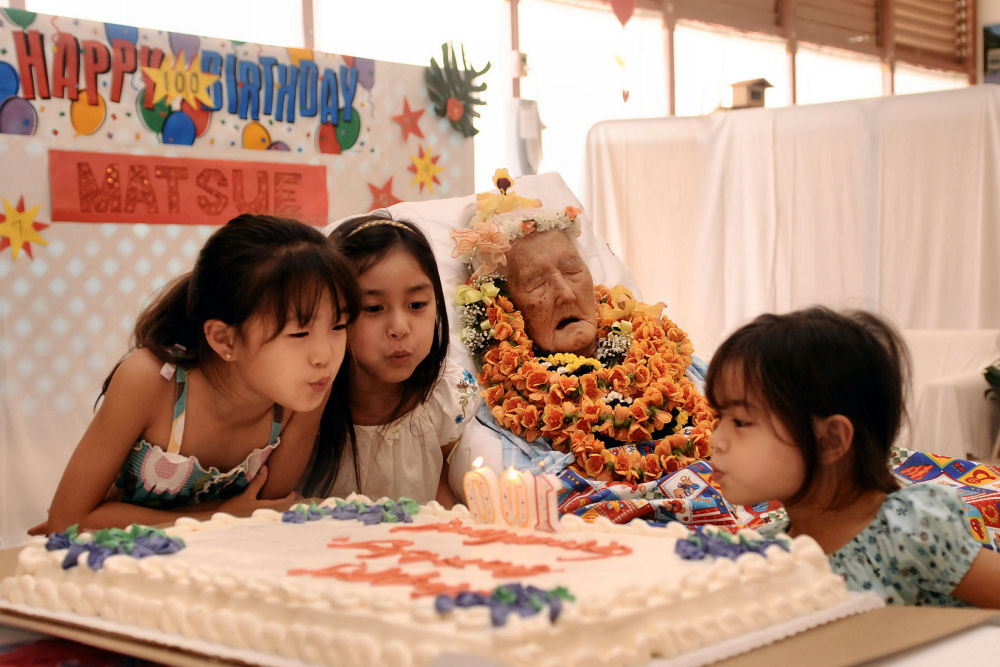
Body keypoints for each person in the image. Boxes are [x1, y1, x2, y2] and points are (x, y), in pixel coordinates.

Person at [32, 214, 360, 534]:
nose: (325, 356)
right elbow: (67, 521)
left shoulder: (306, 389)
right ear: (223, 338)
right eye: (299, 334)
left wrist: (232, 518)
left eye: (338, 325)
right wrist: (216, 516)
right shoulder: (151, 381)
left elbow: (265, 510)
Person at [448, 169, 716, 524]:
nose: (565, 292)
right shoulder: (507, 410)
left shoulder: (664, 353)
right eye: (535, 282)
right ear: (504, 308)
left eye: (573, 271)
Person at [705, 306, 1000, 607]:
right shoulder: (771, 548)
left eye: (740, 421)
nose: (716, 441)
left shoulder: (909, 532)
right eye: (719, 419)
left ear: (831, 440)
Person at [321, 214, 480, 507]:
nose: (399, 328)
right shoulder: (310, 405)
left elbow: (445, 502)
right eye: (373, 308)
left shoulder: (445, 397)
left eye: (417, 305)